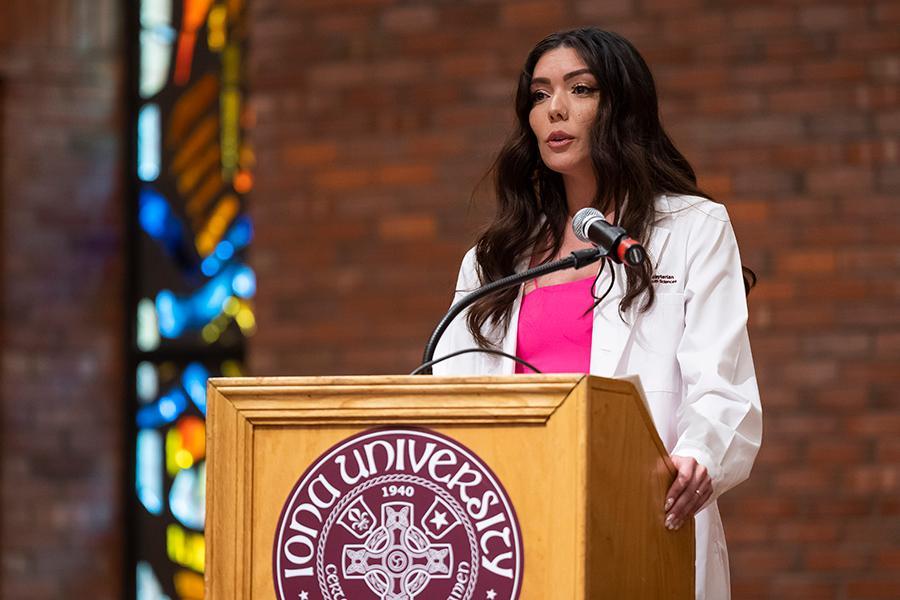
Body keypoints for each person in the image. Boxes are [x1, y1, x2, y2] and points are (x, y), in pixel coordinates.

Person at [432, 28, 762, 599]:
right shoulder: (495, 260)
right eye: (539, 95)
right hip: (511, 526)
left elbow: (721, 386)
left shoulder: (692, 229)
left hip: (642, 517)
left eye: (579, 89)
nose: (555, 108)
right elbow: (454, 401)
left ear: (622, 108)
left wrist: (697, 459)